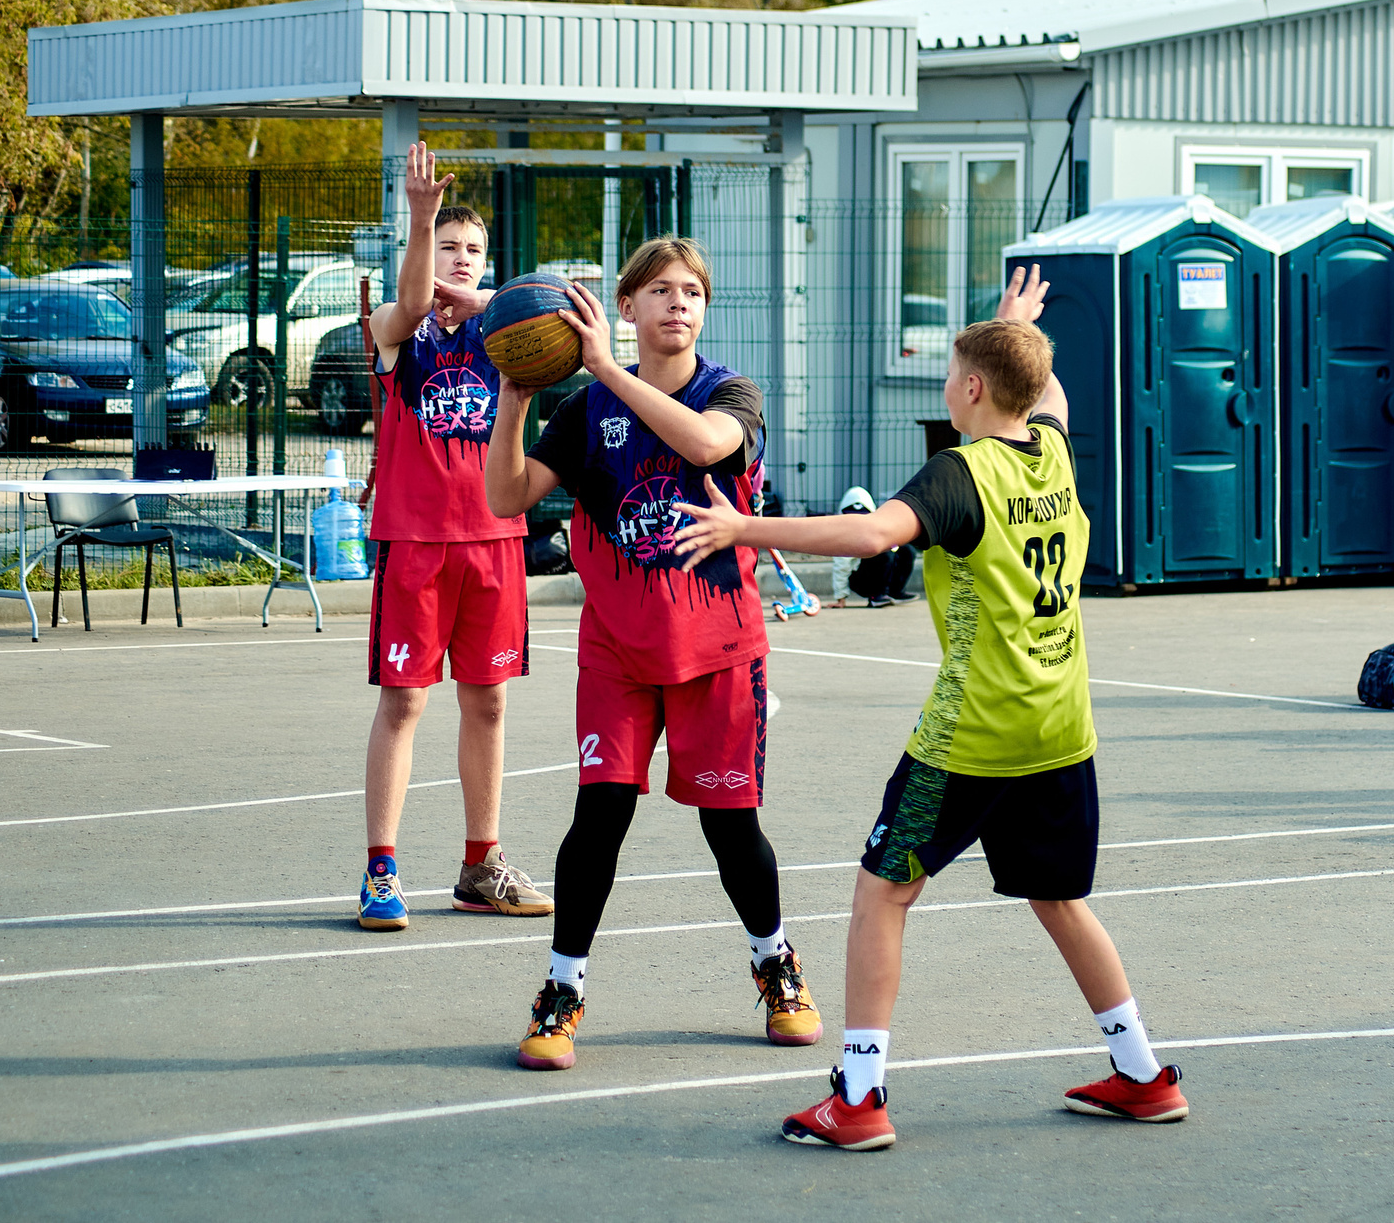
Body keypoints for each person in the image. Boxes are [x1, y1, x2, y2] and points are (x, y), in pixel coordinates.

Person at [672, 266, 1186, 1150]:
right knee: (1060, 897)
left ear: (974, 388)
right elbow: (1045, 386)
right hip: (1061, 728)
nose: (946, 383)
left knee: (882, 892)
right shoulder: (1051, 449)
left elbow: (872, 534)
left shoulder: (961, 474)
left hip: (970, 737)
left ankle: (860, 1095)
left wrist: (744, 530)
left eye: (954, 370)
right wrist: (1013, 327)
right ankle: (1142, 1071)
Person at [483, 237, 819, 1070]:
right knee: (598, 818)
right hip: (618, 652)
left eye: (693, 292)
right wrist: (515, 397)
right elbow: (505, 494)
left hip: (720, 650)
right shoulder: (585, 414)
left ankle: (775, 961)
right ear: (625, 307)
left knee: (730, 826)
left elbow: (707, 445)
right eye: (661, 291)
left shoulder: (731, 393)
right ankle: (562, 988)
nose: (679, 304)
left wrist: (605, 369)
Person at [357, 143, 551, 933]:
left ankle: (481, 864)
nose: (461, 259)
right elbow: (404, 307)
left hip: (495, 539)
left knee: (491, 702)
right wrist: (420, 217)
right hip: (416, 540)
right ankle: (379, 870)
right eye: (449, 248)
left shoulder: (509, 336)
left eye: (472, 250)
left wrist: (487, 297)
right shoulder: (395, 331)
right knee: (404, 702)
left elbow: (556, 306)